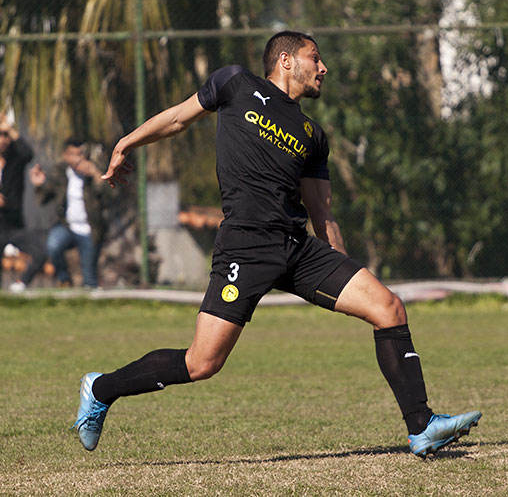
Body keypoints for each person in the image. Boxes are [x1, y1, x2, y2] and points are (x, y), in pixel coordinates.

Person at [72, 31, 481, 457]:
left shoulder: (312, 134)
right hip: (244, 246)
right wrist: (125, 143)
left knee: (388, 307)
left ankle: (422, 426)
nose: (324, 68)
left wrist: (340, 272)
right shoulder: (235, 83)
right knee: (202, 363)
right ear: (285, 60)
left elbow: (322, 212)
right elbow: (177, 118)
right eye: (315, 58)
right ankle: (100, 388)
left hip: (297, 249)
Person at [29, 137, 109, 288]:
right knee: (53, 245)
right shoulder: (59, 172)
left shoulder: (94, 171)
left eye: (80, 154)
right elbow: (43, 199)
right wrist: (38, 185)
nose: (77, 158)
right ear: (66, 155)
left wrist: (96, 175)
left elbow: (108, 195)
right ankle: (64, 279)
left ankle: (88, 298)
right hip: (67, 226)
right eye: (73, 154)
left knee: (89, 278)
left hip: (90, 229)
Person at [0, 111, 48, 292]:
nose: (3, 139)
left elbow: (28, 153)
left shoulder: (15, 160)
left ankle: (21, 284)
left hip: (14, 225)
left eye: (5, 136)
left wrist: (9, 128)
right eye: (0, 135)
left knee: (41, 252)